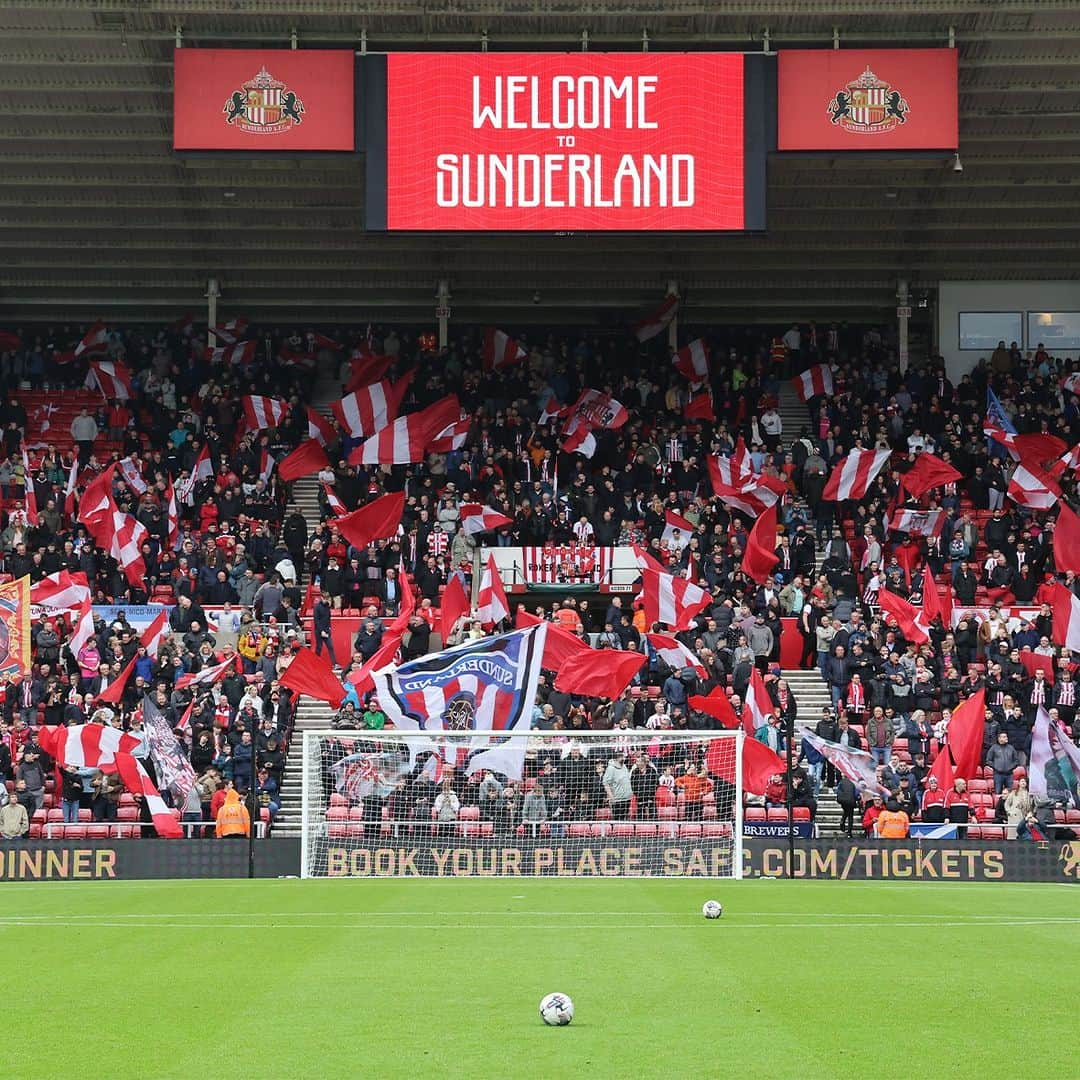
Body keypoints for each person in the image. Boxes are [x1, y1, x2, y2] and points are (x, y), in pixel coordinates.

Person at [603, 750, 633, 819]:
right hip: (617, 800)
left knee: (625, 820)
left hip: (627, 798)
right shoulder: (611, 769)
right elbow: (606, 784)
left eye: (623, 756)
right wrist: (611, 797)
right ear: (617, 758)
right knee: (618, 821)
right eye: (622, 757)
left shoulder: (624, 766)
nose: (624, 758)